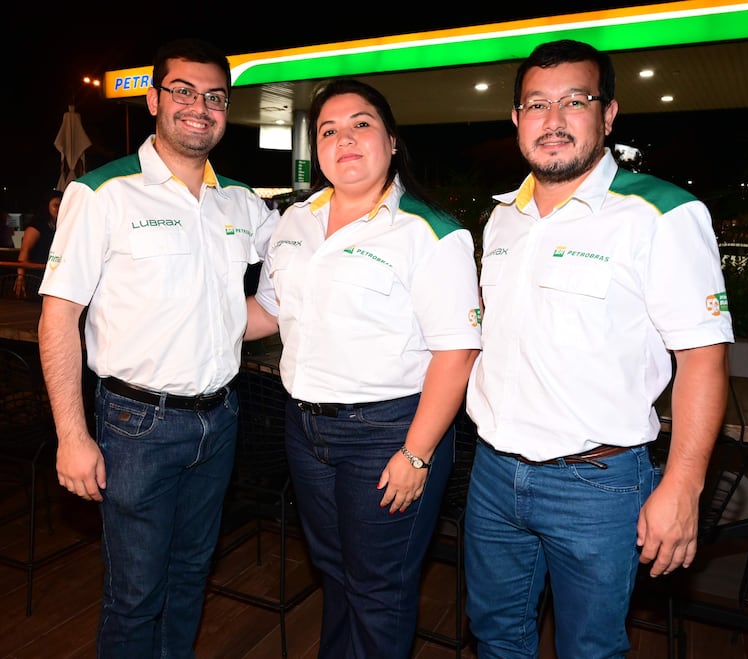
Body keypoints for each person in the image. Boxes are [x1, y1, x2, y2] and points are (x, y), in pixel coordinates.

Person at [463, 39, 735, 658]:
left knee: (591, 649)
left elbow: (704, 356)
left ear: (608, 114)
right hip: (492, 474)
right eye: (536, 104)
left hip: (597, 485)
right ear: (516, 120)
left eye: (574, 101)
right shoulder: (502, 218)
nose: (553, 121)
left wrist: (684, 485)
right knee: (496, 637)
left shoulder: (661, 212)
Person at [37, 38, 278, 658]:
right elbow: (59, 314)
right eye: (183, 91)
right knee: (135, 594)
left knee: (190, 578)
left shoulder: (241, 202)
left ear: (227, 109)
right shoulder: (104, 193)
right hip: (134, 425)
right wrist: (71, 432)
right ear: (153, 99)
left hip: (220, 418)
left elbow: (300, 266)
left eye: (215, 96)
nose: (200, 107)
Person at [244, 78, 482, 658]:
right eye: (329, 129)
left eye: (361, 124)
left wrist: (417, 453)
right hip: (306, 430)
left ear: (392, 141)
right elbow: (267, 313)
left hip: (389, 434)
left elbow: (458, 352)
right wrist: (178, 315)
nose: (343, 139)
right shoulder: (294, 223)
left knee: (379, 588)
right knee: (335, 573)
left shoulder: (429, 232)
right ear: (316, 146)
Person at [14, 190, 61, 297]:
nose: (59, 209)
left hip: (51, 276)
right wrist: (21, 276)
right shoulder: (36, 226)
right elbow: (25, 251)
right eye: (56, 205)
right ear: (47, 207)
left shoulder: (61, 227)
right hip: (35, 277)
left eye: (62, 205)